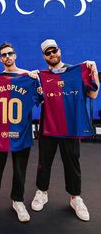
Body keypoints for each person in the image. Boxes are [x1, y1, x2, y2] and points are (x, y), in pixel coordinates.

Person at [31, 39, 100, 221]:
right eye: (48, 52)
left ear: (60, 51)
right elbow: (34, 98)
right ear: (44, 56)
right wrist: (28, 76)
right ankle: (42, 192)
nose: (52, 54)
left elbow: (93, 93)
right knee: (43, 162)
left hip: (70, 128)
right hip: (48, 127)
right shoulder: (41, 76)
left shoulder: (76, 72)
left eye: (54, 51)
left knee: (72, 163)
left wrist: (94, 71)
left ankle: (75, 198)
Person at [0, 42, 42, 222]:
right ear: (0, 58)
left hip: (22, 132)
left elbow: (40, 97)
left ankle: (18, 200)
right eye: (3, 54)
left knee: (20, 170)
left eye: (10, 53)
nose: (7, 57)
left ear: (15, 55)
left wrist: (36, 82)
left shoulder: (29, 77)